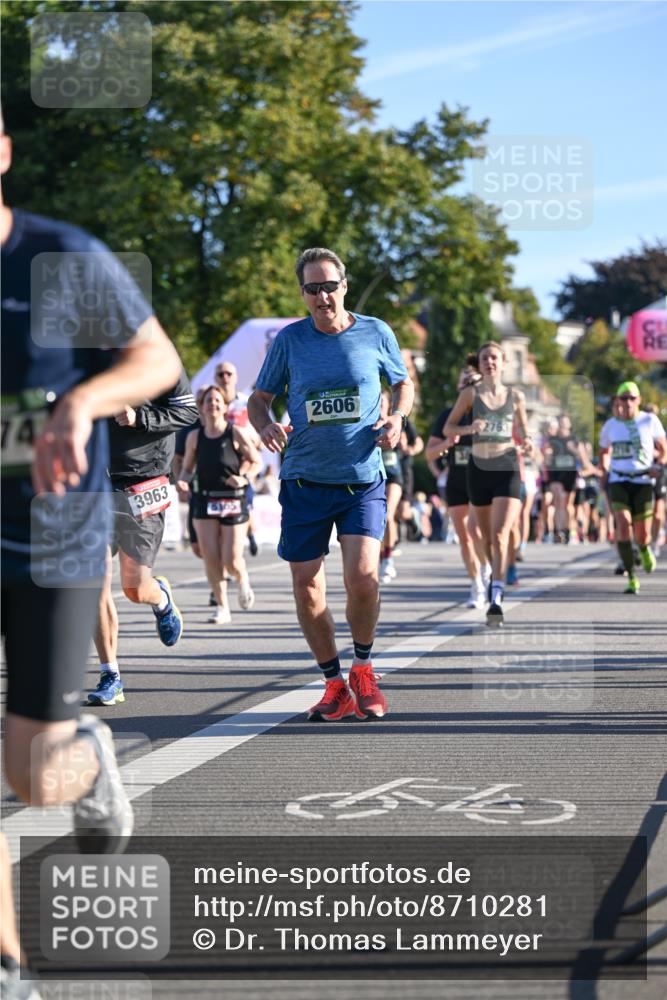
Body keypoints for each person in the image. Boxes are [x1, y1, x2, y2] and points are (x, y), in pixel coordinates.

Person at [1, 116, 182, 988]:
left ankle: (90, 761)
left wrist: (82, 403)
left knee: (36, 774)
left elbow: (157, 360)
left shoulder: (59, 256)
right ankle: (8, 969)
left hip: (54, 538)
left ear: (2, 152)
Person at [248, 247, 414, 720]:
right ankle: (334, 685)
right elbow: (259, 399)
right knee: (307, 588)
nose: (322, 297)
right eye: (312, 289)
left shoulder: (376, 331)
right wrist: (265, 425)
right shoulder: (290, 340)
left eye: (329, 287)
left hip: (361, 477)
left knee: (363, 577)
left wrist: (398, 417)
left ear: (344, 286)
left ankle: (363, 669)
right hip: (304, 480)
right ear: (303, 294)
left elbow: (402, 383)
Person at [89, 366, 198, 705]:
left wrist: (140, 418)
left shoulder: (157, 359)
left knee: (134, 588)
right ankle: (111, 675)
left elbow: (188, 411)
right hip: (93, 484)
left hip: (144, 480)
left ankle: (160, 598)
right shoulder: (80, 359)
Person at [444, 342, 532, 626]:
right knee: (484, 537)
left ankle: (496, 596)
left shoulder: (516, 397)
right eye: (485, 358)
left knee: (500, 534)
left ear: (503, 362)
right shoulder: (470, 394)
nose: (489, 362)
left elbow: (524, 431)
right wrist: (469, 428)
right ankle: (492, 573)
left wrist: (528, 442)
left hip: (507, 467)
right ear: (480, 364)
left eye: (494, 358)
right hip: (478, 469)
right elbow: (448, 428)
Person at [177, 384, 261, 623]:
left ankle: (242, 579)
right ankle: (222, 607)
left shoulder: (235, 433)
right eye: (208, 400)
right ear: (201, 407)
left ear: (225, 407)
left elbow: (255, 461)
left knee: (231, 559)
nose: (212, 404)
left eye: (217, 401)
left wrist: (243, 477)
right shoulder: (194, 437)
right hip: (204, 500)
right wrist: (182, 482)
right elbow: (187, 469)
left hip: (232, 500)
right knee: (211, 557)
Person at [426, 363, 491, 609]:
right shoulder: (447, 416)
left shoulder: (488, 413)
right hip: (456, 480)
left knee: (475, 531)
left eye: (473, 381)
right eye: (464, 381)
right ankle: (476, 585)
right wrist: (447, 444)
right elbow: (429, 453)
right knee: (464, 537)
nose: (468, 385)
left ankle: (485, 567)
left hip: (479, 479)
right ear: (458, 386)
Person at [599, 381, 667, 594]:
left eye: (632, 398)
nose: (627, 402)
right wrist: (604, 468)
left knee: (642, 534)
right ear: (618, 401)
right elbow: (604, 451)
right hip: (619, 480)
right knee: (622, 523)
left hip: (643, 481)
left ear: (638, 400)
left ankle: (645, 549)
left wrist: (659, 466)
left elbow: (663, 449)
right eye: (623, 398)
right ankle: (631, 577)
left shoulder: (649, 420)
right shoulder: (610, 425)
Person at [378, 389, 404, 583]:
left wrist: (409, 445)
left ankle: (388, 559)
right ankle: (379, 557)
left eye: (382, 403)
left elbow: (419, 443)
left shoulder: (396, 422)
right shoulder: (367, 423)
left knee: (387, 515)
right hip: (376, 476)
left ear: (388, 405)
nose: (379, 406)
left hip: (394, 476)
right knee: (378, 519)